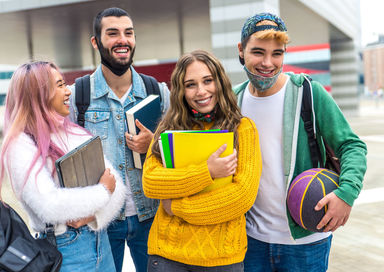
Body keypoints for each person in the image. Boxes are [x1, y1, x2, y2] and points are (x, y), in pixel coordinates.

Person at [234, 12, 368, 272]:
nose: (268, 63)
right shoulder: (234, 100)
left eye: (277, 54)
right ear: (241, 50)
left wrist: (346, 194)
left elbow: (352, 146)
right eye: (258, 52)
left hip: (306, 240)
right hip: (250, 241)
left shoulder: (308, 92)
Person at [0, 61, 128, 272]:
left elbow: (118, 186)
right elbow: (49, 205)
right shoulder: (19, 143)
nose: (68, 91)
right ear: (37, 93)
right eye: (59, 85)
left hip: (100, 242)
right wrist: (103, 192)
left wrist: (92, 216)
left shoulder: (72, 132)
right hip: (65, 250)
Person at [68, 7, 170, 272]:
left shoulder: (157, 93)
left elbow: (180, 157)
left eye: (128, 33)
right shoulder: (77, 97)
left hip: (152, 217)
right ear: (96, 42)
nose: (122, 40)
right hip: (101, 221)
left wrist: (154, 147)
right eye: (112, 33)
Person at [142, 50, 262, 271]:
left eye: (208, 81)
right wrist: (206, 171)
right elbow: (151, 182)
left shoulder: (243, 129)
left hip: (222, 259)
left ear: (220, 82)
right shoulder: (168, 129)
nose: (201, 91)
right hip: (168, 256)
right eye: (190, 84)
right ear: (181, 90)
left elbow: (240, 199)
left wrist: (176, 206)